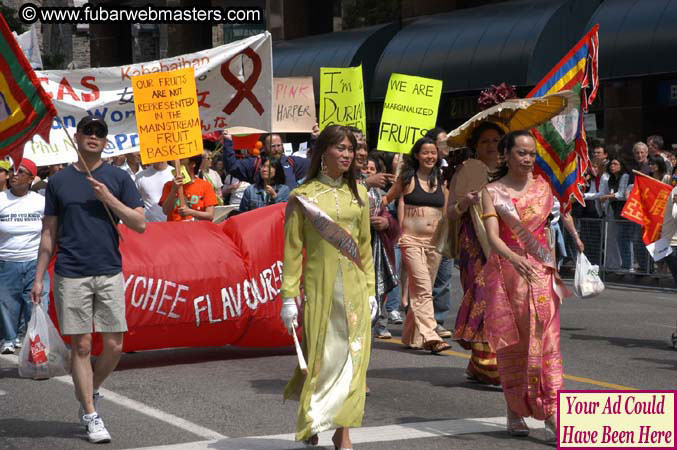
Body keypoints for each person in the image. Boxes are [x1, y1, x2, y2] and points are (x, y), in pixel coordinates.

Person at [29, 116, 145, 443]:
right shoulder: (59, 181)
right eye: (88, 131)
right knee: (80, 346)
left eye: (100, 133)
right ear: (77, 136)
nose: (94, 136)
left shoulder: (118, 177)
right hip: (70, 272)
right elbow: (49, 233)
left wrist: (108, 198)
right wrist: (39, 278)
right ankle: (91, 414)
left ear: (106, 141)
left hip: (109, 270)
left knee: (114, 345)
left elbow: (140, 223)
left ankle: (89, 391)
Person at [279, 125, 376, 450]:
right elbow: (292, 250)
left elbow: (364, 245)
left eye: (351, 149)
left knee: (353, 362)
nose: (348, 155)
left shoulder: (359, 194)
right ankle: (313, 415)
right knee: (322, 360)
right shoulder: (303, 197)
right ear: (323, 153)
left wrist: (371, 289)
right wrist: (289, 296)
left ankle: (342, 434)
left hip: (355, 292)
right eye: (341, 148)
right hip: (320, 291)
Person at [480, 130, 570, 441]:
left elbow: (548, 232)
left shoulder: (546, 188)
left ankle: (553, 413)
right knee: (514, 344)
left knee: (548, 342)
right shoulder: (491, 192)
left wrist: (554, 268)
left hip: (542, 272)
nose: (528, 159)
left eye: (532, 153)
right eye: (521, 153)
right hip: (510, 275)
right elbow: (493, 237)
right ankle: (514, 410)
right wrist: (515, 259)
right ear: (505, 155)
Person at [447, 121, 504, 384]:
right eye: (485, 141)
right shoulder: (465, 173)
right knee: (484, 295)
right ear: (475, 147)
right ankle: (486, 364)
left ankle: (482, 363)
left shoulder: (510, 171)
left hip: (506, 243)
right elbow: (450, 212)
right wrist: (465, 202)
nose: (492, 146)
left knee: (504, 301)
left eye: (496, 140)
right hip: (474, 243)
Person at [383, 137, 450, 354]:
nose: (430, 156)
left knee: (424, 290)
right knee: (422, 288)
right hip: (411, 241)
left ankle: (411, 336)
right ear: (417, 155)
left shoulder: (441, 178)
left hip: (434, 243)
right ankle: (431, 335)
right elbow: (386, 199)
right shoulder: (406, 178)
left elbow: (447, 211)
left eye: (433, 153)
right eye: (425, 153)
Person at [0, 158, 50, 354]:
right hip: (6, 261)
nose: (14, 175)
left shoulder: (41, 202)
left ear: (30, 178)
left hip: (34, 262)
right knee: (6, 303)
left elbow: (49, 229)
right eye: (13, 171)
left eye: (21, 172)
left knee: (36, 303)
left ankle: (34, 339)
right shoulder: (1, 199)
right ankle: (9, 338)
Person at [425, 127, 453, 338]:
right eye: (441, 142)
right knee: (424, 279)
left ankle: (438, 319)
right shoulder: (422, 172)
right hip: (425, 233)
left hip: (447, 230)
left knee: (444, 277)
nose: (445, 146)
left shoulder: (451, 168)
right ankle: (421, 319)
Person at [222, 132, 310, 189]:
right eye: (272, 146)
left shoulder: (291, 162)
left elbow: (315, 163)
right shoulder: (255, 163)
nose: (276, 149)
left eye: (279, 145)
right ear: (264, 147)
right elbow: (232, 167)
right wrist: (228, 141)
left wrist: (315, 139)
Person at [159, 155, 218, 222]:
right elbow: (166, 211)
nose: (176, 164)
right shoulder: (169, 185)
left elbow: (210, 215)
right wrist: (173, 190)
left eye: (181, 160)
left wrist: (190, 212)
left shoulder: (205, 185)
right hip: (175, 230)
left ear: (192, 164)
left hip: (196, 230)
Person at [600, 158, 631, 270]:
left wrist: (607, 197)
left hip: (624, 211)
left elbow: (622, 194)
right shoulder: (611, 179)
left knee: (624, 238)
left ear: (621, 166)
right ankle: (618, 264)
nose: (612, 166)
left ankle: (628, 265)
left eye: (615, 164)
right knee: (617, 238)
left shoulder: (625, 176)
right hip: (614, 210)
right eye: (611, 164)